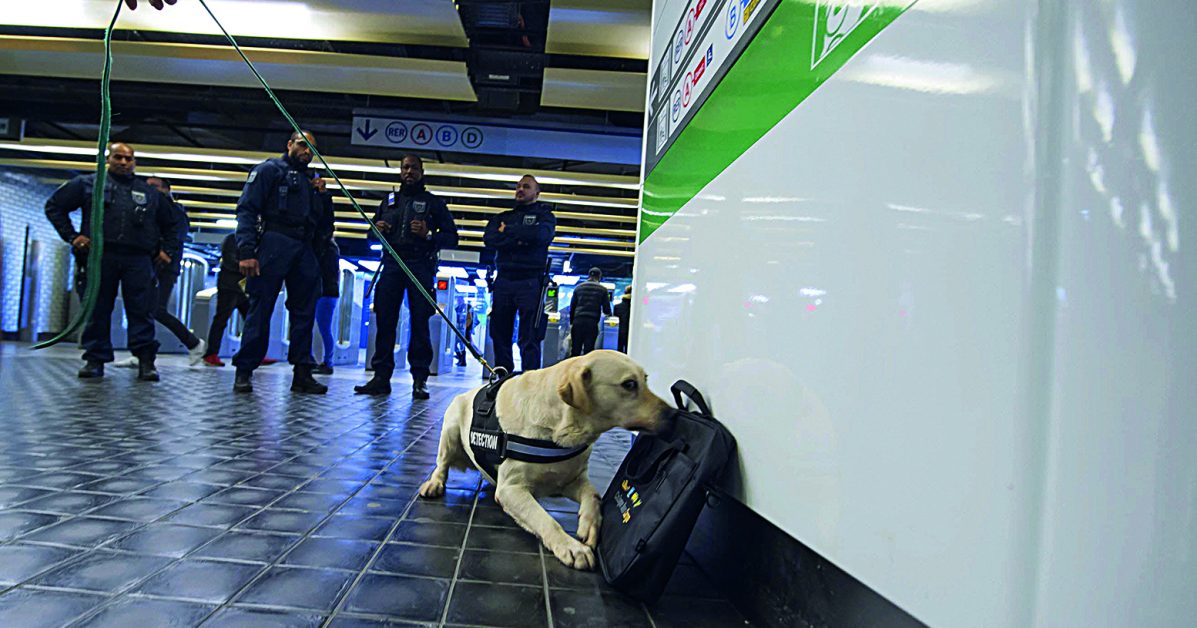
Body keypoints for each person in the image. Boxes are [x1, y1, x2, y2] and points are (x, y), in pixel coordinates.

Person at [44, 142, 180, 382]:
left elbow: (172, 223)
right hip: (99, 256)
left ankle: (145, 362)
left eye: (129, 159)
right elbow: (54, 207)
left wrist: (167, 250)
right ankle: (95, 360)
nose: (124, 163)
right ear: (108, 159)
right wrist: (73, 236)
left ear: (135, 162)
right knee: (98, 308)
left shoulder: (148, 192)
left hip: (138, 258)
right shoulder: (89, 185)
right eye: (118, 157)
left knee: (142, 310)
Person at [231, 130, 335, 394]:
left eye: (312, 149)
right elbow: (247, 209)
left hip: (305, 247)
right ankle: (244, 370)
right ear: (289, 144)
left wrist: (323, 196)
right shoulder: (269, 170)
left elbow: (326, 225)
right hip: (274, 241)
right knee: (260, 307)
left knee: (304, 312)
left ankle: (302, 372)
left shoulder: (314, 182)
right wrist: (246, 251)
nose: (307, 152)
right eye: (302, 145)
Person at [355, 154, 458, 398]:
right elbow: (370, 235)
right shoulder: (389, 202)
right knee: (385, 322)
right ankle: (381, 377)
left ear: (422, 171)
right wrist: (376, 230)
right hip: (391, 265)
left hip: (419, 265)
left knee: (420, 323)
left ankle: (419, 379)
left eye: (413, 168)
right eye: (405, 168)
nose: (408, 172)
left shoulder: (433, 203)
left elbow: (452, 237)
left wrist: (429, 234)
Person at [113, 176, 206, 368]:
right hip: (150, 263)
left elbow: (176, 235)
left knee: (155, 309)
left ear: (166, 190)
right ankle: (141, 352)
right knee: (144, 309)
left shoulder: (174, 210)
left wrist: (166, 254)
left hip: (165, 266)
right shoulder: (149, 211)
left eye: (155, 187)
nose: (149, 190)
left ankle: (193, 343)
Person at [483, 174, 556, 373]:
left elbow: (541, 236)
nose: (520, 190)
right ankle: (502, 378)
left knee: (529, 337)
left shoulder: (545, 216)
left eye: (526, 186)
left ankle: (529, 381)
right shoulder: (502, 217)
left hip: (530, 281)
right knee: (500, 334)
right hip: (504, 279)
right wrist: (524, 235)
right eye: (518, 186)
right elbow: (490, 238)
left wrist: (508, 232)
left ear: (537, 193)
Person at [201, 233, 249, 367]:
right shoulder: (234, 239)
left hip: (238, 286)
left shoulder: (236, 239)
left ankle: (253, 352)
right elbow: (230, 261)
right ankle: (211, 354)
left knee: (250, 320)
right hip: (230, 286)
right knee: (222, 319)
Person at [313, 239, 342, 375]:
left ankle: (328, 362)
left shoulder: (327, 250)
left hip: (325, 292)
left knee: (324, 329)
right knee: (325, 329)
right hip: (329, 292)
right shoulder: (333, 250)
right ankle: (326, 361)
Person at [568, 268, 612, 357]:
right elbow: (606, 309)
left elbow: (572, 306)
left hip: (578, 321)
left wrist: (572, 322)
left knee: (575, 349)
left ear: (589, 275)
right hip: (592, 322)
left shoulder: (578, 287)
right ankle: (586, 370)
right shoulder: (603, 289)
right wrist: (609, 315)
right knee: (589, 351)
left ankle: (574, 370)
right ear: (599, 276)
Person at [613, 285, 631, 353]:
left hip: (620, 331)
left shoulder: (617, 307)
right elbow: (646, 302)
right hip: (632, 333)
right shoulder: (637, 308)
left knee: (620, 350)